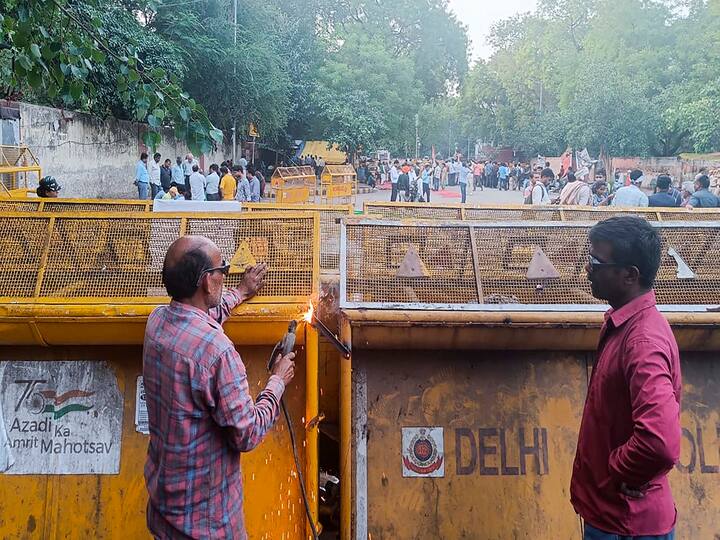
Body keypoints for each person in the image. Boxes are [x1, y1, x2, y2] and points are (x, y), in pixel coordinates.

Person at [143, 236, 295, 539]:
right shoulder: (218, 353)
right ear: (206, 282)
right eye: (222, 270)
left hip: (165, 511)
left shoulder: (157, 322)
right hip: (208, 524)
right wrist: (277, 381)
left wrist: (240, 292)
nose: (225, 275)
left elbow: (200, 318)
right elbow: (247, 433)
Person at [572, 216, 680, 540]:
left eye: (597, 261)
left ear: (629, 275)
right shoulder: (627, 326)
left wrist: (617, 470)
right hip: (614, 517)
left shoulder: (642, 343)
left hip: (624, 524)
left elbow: (659, 443)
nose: (589, 268)